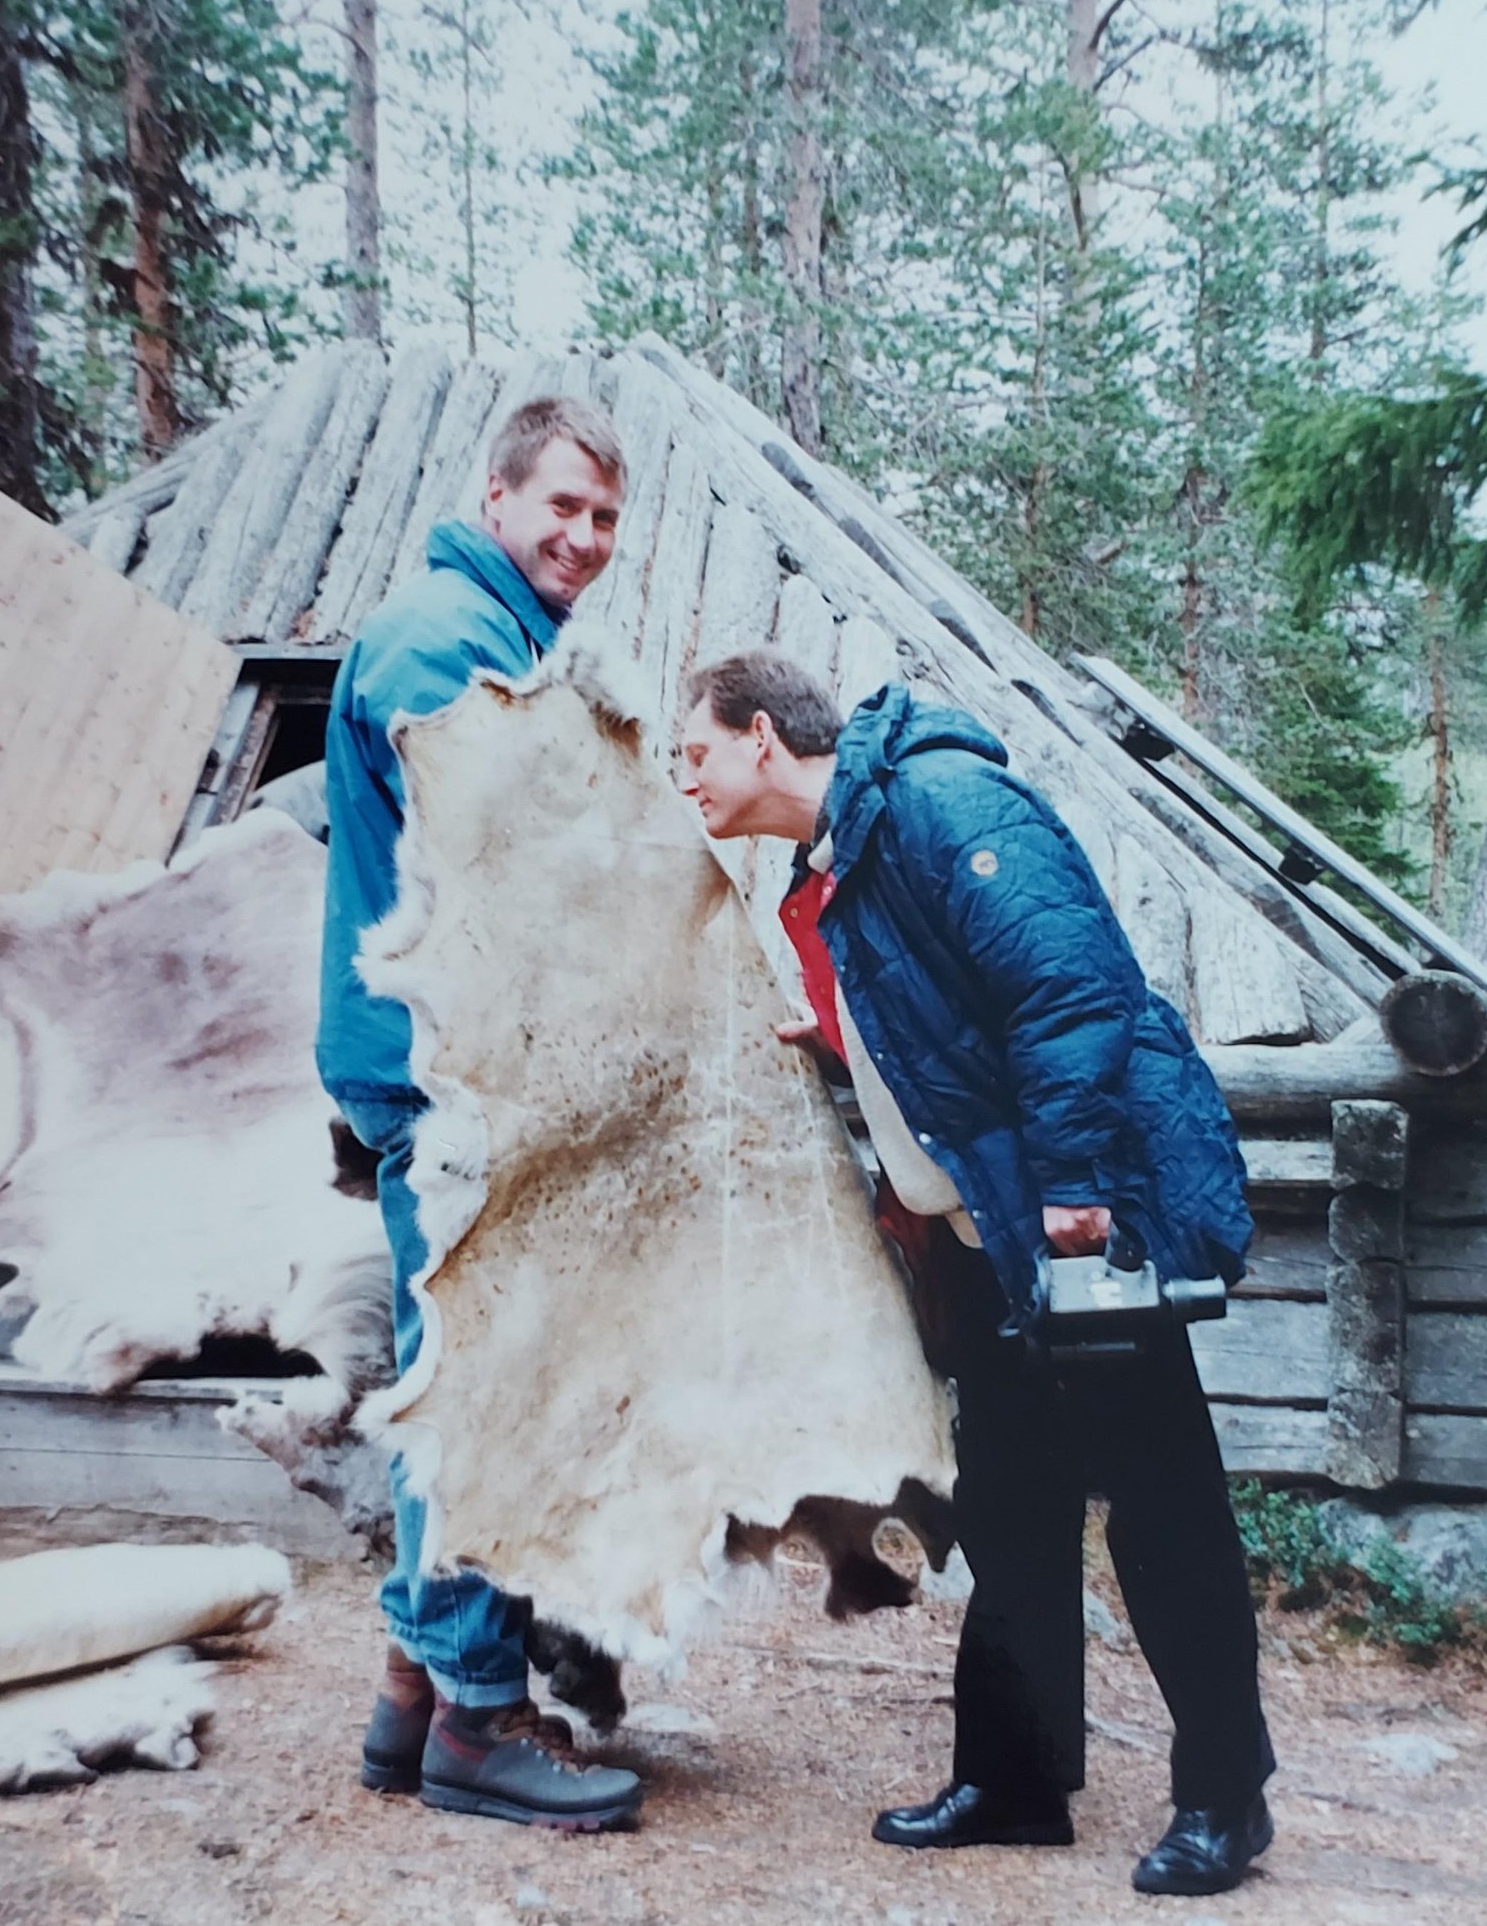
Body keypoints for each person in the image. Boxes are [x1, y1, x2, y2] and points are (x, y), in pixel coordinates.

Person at [678, 648, 1275, 1898]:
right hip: (982, 1247)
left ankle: (1225, 1798)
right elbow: (946, 1019)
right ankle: (1014, 1780)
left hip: (1075, 1231)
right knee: (1011, 1518)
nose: (689, 779)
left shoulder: (945, 804)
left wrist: (1069, 1186)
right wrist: (846, 1044)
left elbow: (1067, 990)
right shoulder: (839, 860)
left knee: (1163, 1512)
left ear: (761, 740)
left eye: (698, 753)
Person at [317, 395, 644, 1833]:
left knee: (465, 1369)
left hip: (455, 1061)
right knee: (478, 1393)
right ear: (497, 494)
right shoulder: (448, 638)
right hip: (451, 1068)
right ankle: (474, 1718)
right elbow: (511, 870)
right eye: (561, 506)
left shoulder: (498, 630)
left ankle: (408, 1698)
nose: (583, 537)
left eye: (604, 519)